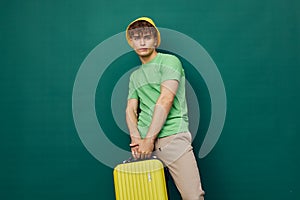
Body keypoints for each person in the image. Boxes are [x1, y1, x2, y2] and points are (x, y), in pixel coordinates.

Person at [125, 17, 205, 200]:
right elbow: (130, 109)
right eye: (136, 37)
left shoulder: (169, 61)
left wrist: (149, 139)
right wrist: (137, 139)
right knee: (148, 196)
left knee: (193, 196)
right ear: (131, 42)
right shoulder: (135, 76)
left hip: (172, 138)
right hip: (143, 145)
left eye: (147, 36)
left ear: (156, 40)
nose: (142, 41)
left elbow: (166, 100)